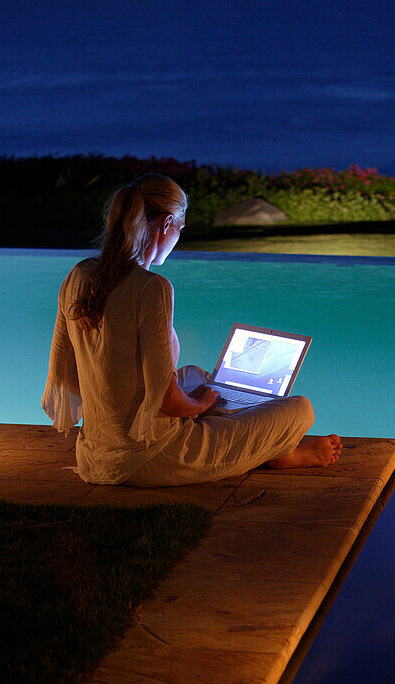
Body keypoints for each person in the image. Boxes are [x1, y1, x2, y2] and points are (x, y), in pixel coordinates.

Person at [42, 174, 341, 485]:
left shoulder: (79, 275)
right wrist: (199, 405)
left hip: (95, 454)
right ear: (167, 223)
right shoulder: (152, 289)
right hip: (154, 456)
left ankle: (258, 440)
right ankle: (281, 453)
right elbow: (168, 403)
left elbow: (67, 377)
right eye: (180, 230)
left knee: (196, 375)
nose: (176, 239)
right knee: (300, 409)